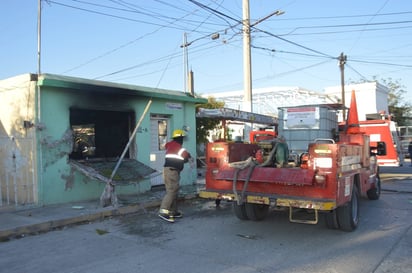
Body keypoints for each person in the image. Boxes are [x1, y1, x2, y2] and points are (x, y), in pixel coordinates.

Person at [158, 129, 192, 223]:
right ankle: (163, 211)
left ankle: (173, 211)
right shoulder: (180, 148)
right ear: (179, 138)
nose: (182, 140)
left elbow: (177, 156)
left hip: (170, 171)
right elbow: (185, 156)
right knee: (172, 191)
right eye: (182, 138)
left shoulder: (170, 145)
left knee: (174, 191)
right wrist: (189, 157)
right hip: (172, 171)